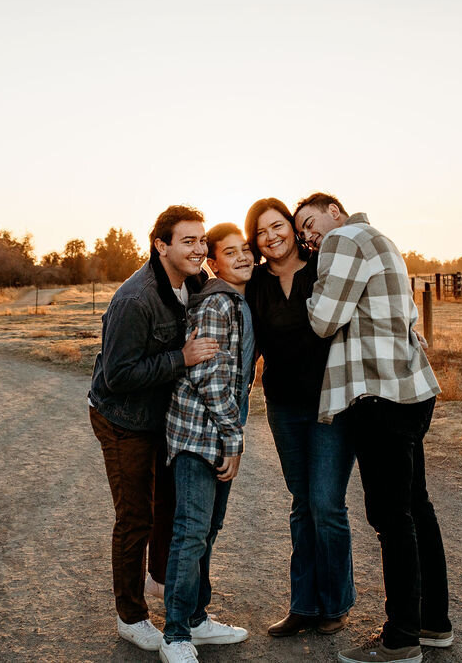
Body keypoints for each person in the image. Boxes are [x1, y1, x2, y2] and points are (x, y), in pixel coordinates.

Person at [295, 193, 452, 663]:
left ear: (335, 211)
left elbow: (323, 320)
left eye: (310, 221)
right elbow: (408, 316)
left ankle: (401, 639)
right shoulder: (383, 241)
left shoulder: (343, 239)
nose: (307, 234)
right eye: (302, 231)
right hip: (410, 391)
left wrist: (311, 292)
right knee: (415, 510)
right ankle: (432, 623)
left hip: (379, 396)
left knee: (392, 520)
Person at [88, 205, 219, 653]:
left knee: (172, 507)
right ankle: (131, 616)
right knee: (135, 518)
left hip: (162, 418)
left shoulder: (194, 283)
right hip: (122, 419)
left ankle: (169, 588)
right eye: (188, 240)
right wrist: (180, 358)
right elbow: (117, 377)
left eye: (201, 240)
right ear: (161, 245)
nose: (199, 248)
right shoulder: (135, 299)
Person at [243, 198, 356, 637]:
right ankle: (303, 605)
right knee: (301, 504)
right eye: (261, 233)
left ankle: (335, 602)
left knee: (326, 503)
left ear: (293, 229)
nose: (271, 238)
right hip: (285, 407)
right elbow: (248, 341)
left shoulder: (322, 266)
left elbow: (359, 304)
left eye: (278, 227)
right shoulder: (256, 284)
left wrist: (408, 325)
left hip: (332, 403)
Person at [160, 223, 255, 663]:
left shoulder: (237, 301)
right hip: (200, 434)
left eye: (246, 249)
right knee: (192, 533)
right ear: (213, 263)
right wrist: (233, 438)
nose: (243, 257)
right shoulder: (218, 302)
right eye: (230, 252)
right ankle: (175, 635)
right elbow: (207, 374)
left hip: (218, 431)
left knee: (208, 532)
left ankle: (197, 620)